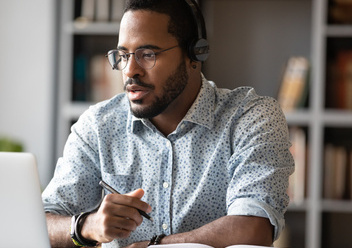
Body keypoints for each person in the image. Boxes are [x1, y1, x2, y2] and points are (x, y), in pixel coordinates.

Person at [42, 0, 294, 247]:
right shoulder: (98, 126)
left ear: (195, 54)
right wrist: (87, 225)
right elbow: (41, 222)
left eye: (147, 54)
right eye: (123, 55)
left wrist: (153, 246)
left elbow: (252, 228)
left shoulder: (250, 117)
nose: (130, 70)